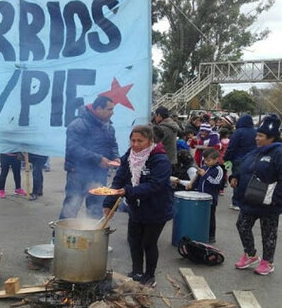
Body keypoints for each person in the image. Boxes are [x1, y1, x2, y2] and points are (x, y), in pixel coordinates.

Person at [103, 125, 173, 287]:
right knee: (133, 240)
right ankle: (136, 272)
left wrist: (127, 191)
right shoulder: (129, 156)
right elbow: (119, 179)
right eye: (133, 140)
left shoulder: (160, 159)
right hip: (136, 207)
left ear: (150, 141)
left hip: (157, 208)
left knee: (148, 242)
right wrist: (109, 202)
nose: (135, 144)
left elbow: (154, 185)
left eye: (140, 141)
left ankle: (149, 276)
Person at [230, 114, 282, 275]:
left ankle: (268, 262)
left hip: (270, 202)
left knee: (268, 234)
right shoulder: (256, 152)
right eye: (257, 135)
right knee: (242, 226)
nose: (257, 138)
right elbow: (245, 167)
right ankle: (251, 254)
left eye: (260, 136)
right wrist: (235, 176)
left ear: (271, 138)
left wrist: (276, 199)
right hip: (251, 198)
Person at [58, 96, 120, 220]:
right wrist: (98, 159)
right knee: (71, 207)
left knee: (96, 207)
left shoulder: (108, 127)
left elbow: (112, 145)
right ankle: (59, 237)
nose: (112, 113)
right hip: (78, 174)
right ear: (98, 108)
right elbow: (73, 148)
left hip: (99, 174)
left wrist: (115, 157)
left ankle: (93, 236)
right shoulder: (78, 124)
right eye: (109, 109)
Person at [186, 148, 223, 243]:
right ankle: (199, 233)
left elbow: (217, 184)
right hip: (200, 197)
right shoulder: (204, 167)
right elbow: (198, 180)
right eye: (205, 160)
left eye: (208, 160)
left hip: (210, 199)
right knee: (199, 216)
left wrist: (205, 175)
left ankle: (211, 236)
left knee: (210, 218)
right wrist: (191, 185)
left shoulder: (219, 170)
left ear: (216, 159)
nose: (206, 162)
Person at [223, 114, 257, 210]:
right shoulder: (255, 132)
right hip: (253, 158)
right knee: (249, 180)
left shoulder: (238, 132)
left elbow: (232, 147)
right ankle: (248, 200)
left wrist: (226, 157)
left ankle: (236, 202)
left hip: (239, 159)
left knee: (237, 179)